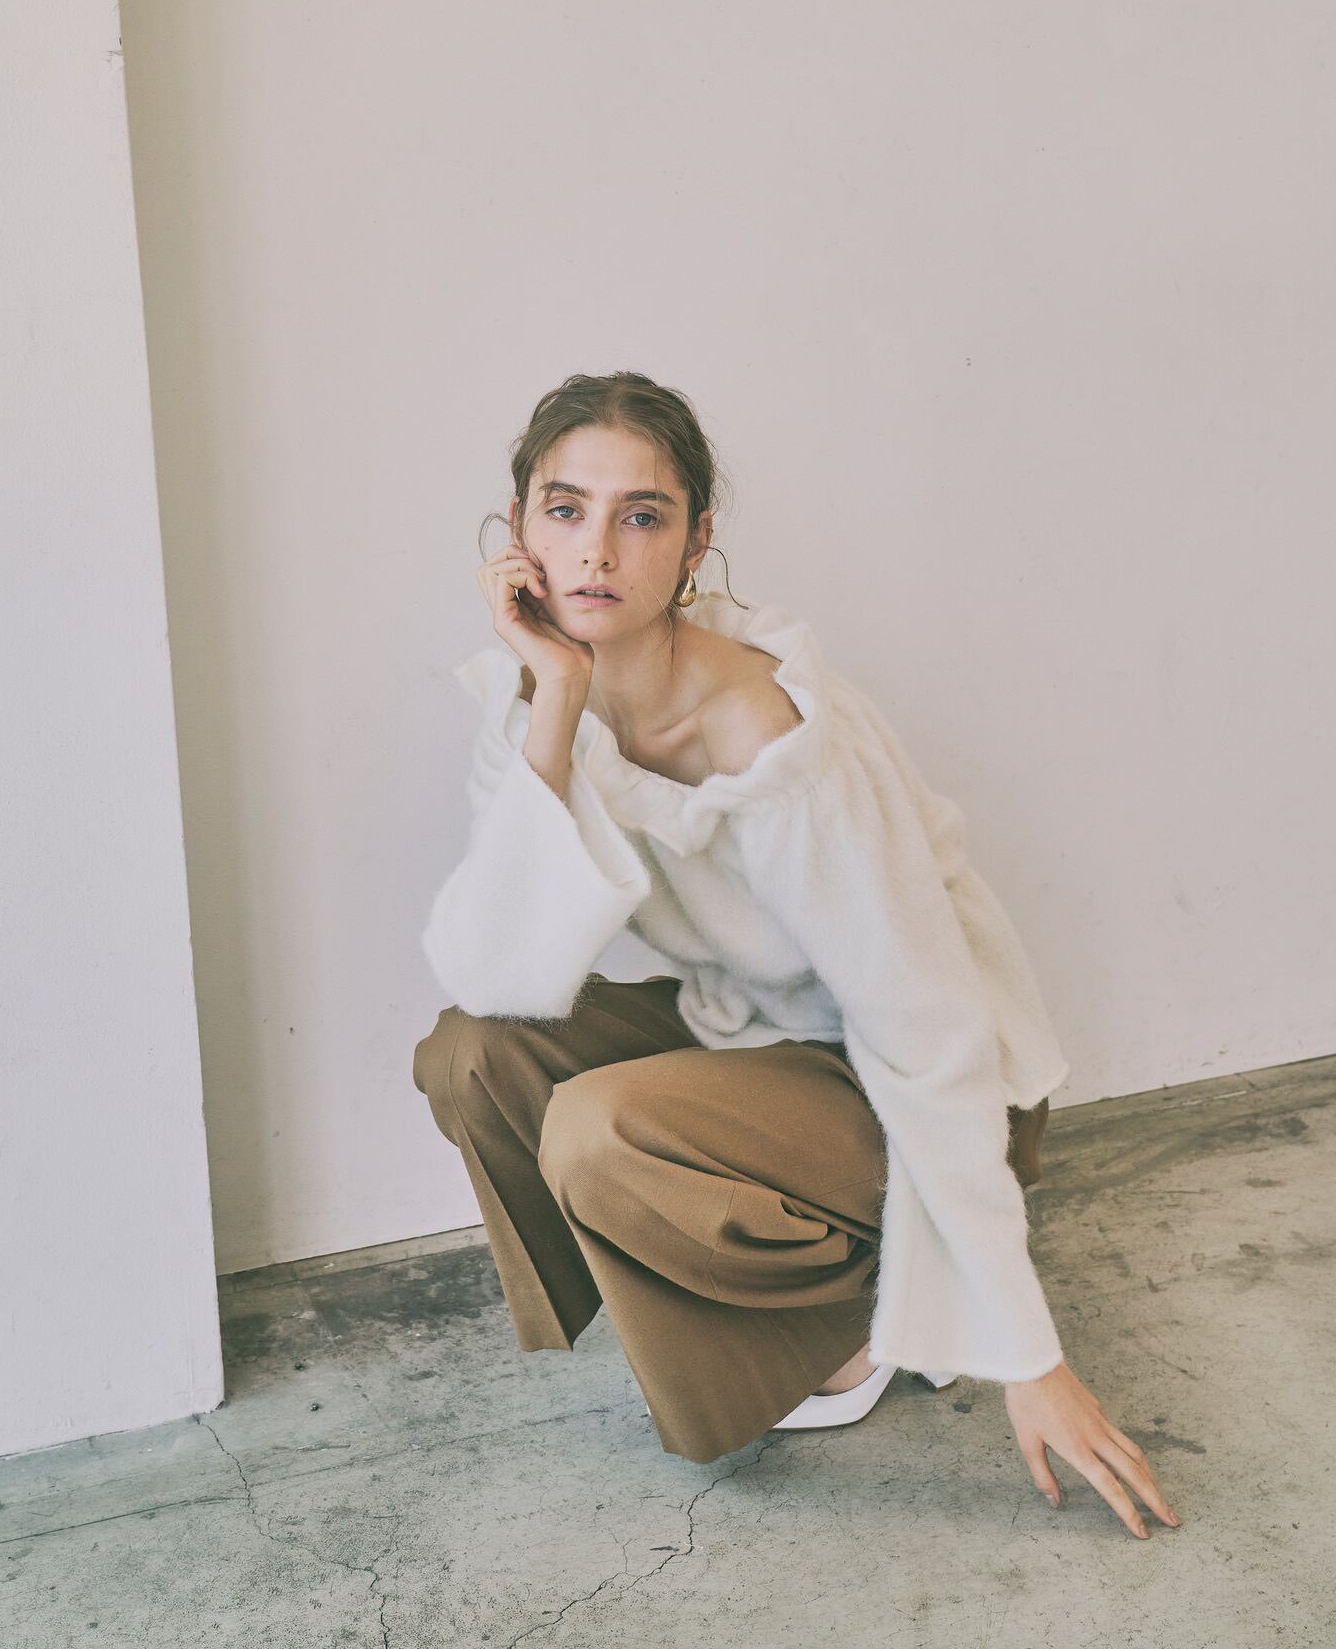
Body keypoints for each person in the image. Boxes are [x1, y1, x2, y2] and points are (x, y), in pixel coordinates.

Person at [413, 371, 1182, 1541]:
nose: (597, 550)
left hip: (917, 1085)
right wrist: (556, 698)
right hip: (754, 1049)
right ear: (517, 529)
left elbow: (928, 1031)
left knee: (597, 1128)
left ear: (695, 543)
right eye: (565, 509)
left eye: (642, 515)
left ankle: (858, 1315)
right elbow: (495, 969)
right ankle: (761, 1311)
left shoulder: (771, 735)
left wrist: (1027, 1353)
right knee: (470, 1054)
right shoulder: (539, 689)